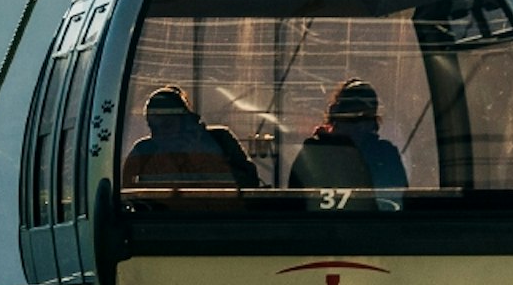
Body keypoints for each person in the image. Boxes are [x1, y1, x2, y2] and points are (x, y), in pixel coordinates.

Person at [285, 78, 409, 206]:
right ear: (336, 119)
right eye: (350, 120)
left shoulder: (385, 155)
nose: (358, 127)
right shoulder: (314, 153)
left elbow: (395, 202)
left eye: (364, 119)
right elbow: (295, 207)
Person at [119, 85, 259, 192]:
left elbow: (250, 184)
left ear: (184, 120)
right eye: (154, 128)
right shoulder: (144, 152)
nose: (160, 134)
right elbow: (125, 196)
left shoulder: (219, 140)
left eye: (167, 125)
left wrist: (202, 154)